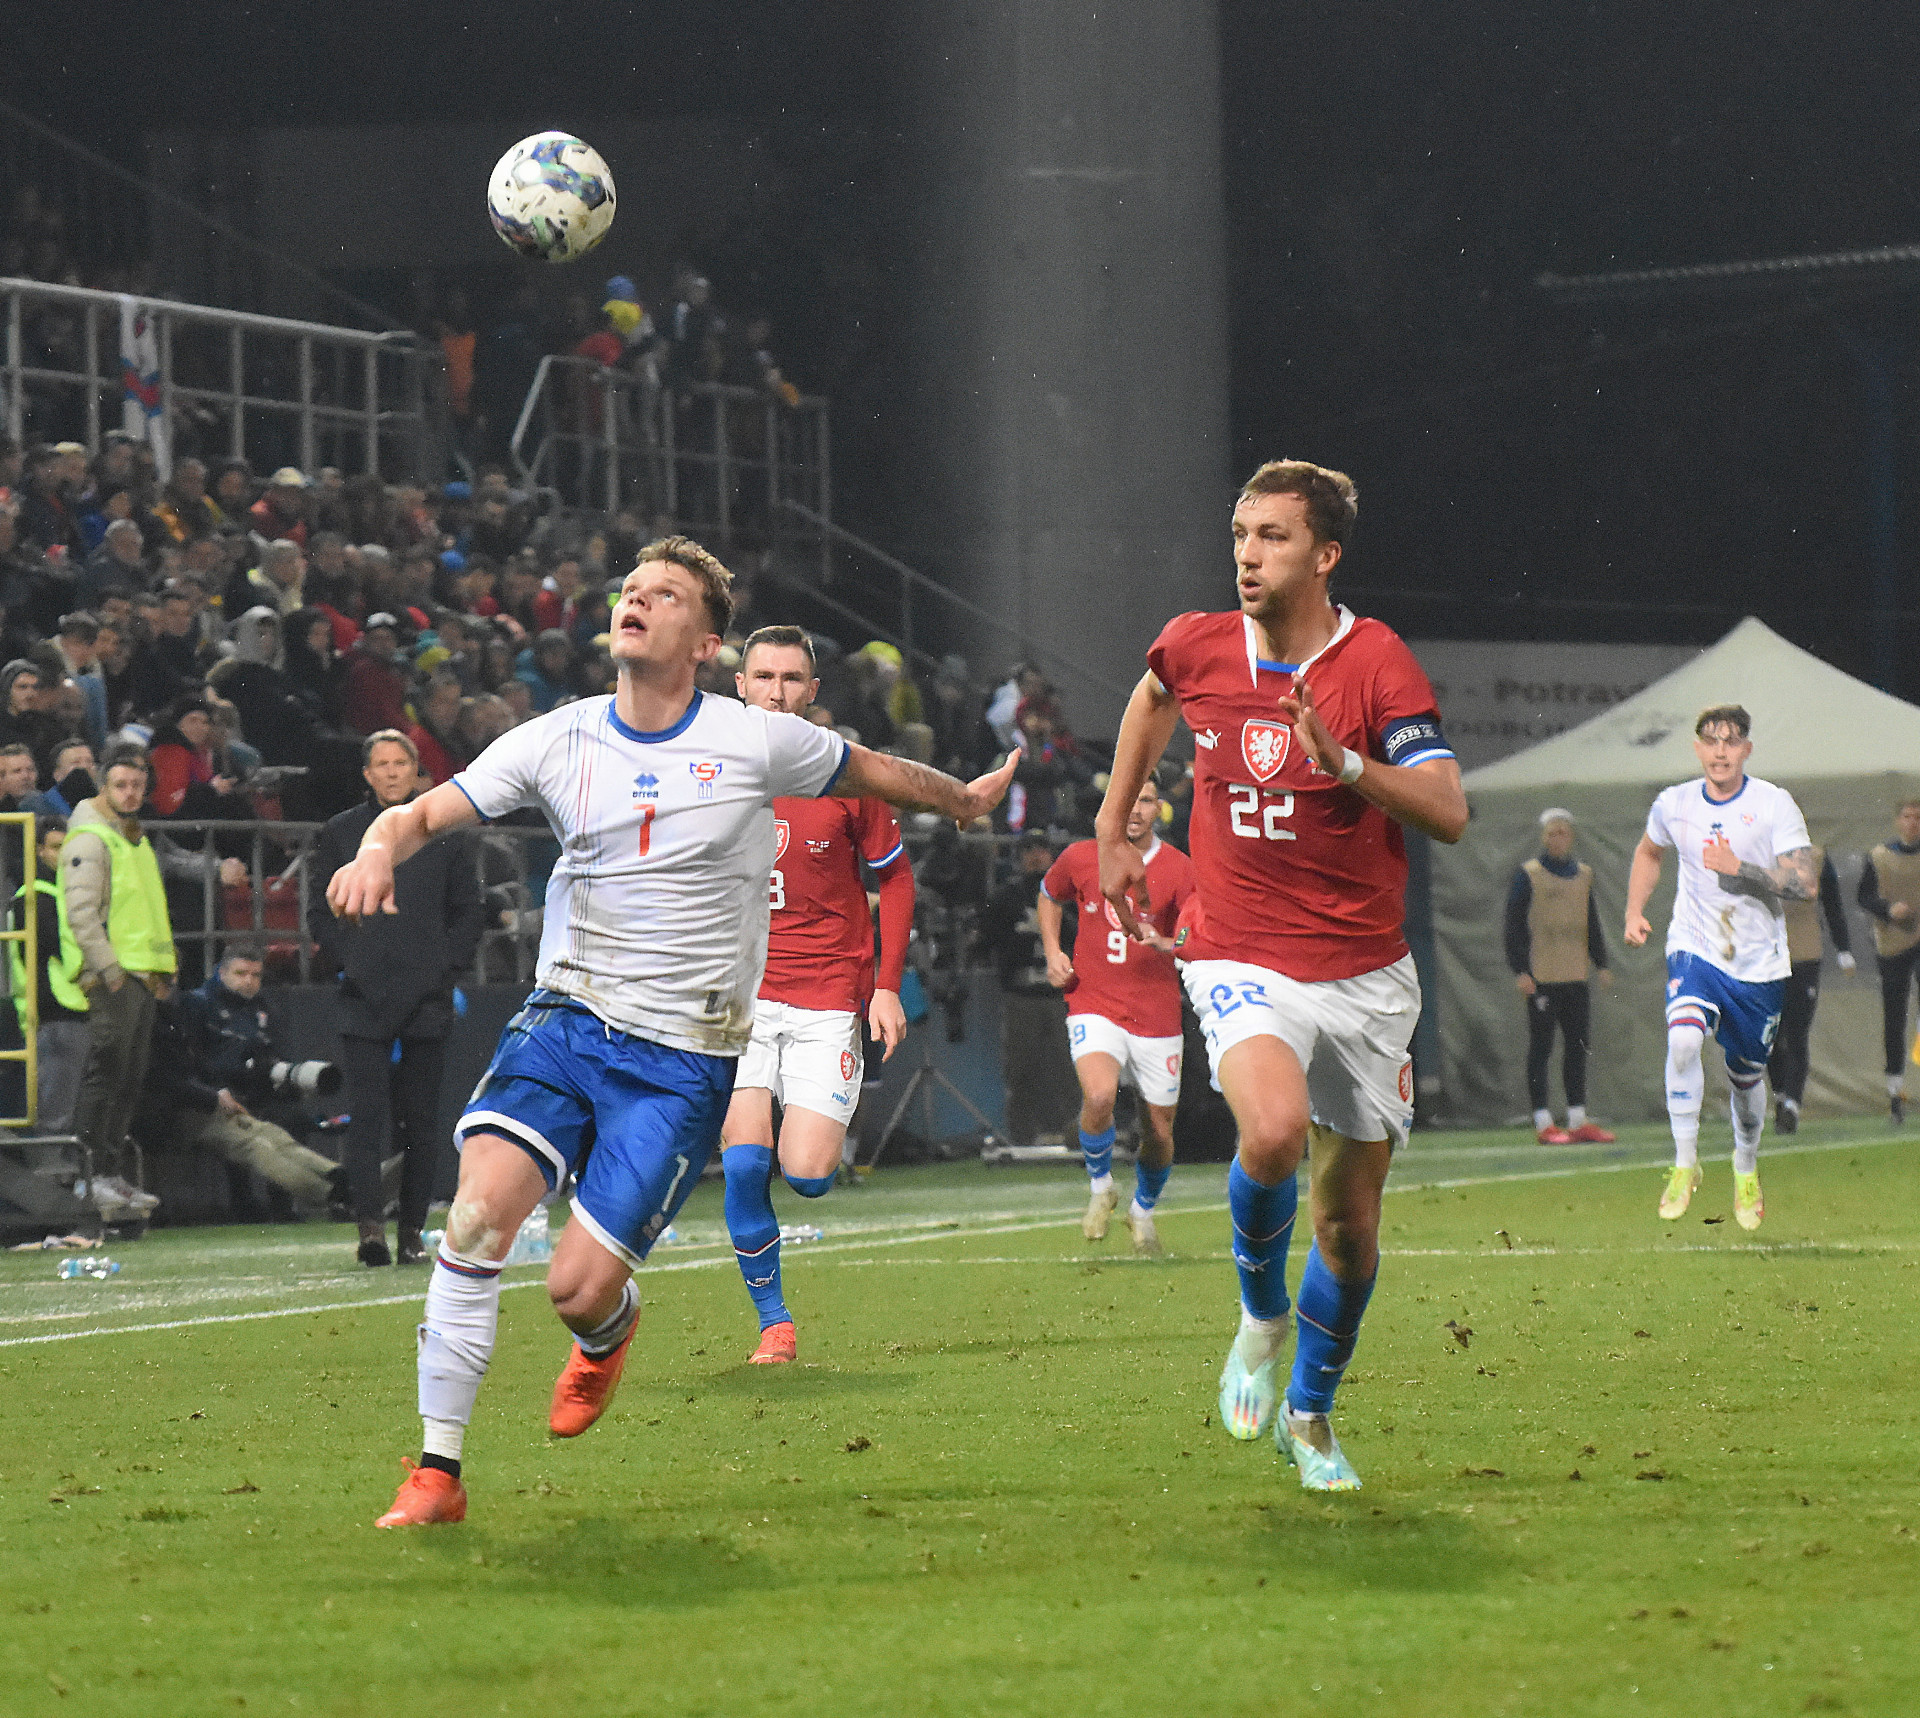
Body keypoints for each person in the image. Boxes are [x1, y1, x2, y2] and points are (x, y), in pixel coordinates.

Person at [324, 535, 1016, 1528]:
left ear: (705, 644)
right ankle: (437, 1472)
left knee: (576, 1290)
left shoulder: (756, 740)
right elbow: (420, 814)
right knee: (473, 1220)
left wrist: (965, 800)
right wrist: (374, 849)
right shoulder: (560, 737)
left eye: (667, 594)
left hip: (680, 1058)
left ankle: (609, 1331)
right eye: (632, 587)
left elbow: (877, 774)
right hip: (563, 1023)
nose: (637, 600)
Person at [1096, 459, 1466, 1493]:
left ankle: (1310, 1412)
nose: (1248, 555)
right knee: (1269, 1131)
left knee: (1348, 1228)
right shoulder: (1198, 641)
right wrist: (1113, 824)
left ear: (1325, 555)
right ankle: (1261, 1315)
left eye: (1273, 537)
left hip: (1366, 974)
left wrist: (1345, 763)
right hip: (1239, 948)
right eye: (1241, 534)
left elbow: (1447, 810)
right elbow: (1153, 696)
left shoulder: (1375, 661)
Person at [717, 625, 915, 1364]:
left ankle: (811, 1154)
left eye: (791, 679)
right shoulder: (710, 771)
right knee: (743, 1162)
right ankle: (774, 1322)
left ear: (812, 691)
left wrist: (887, 988)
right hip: (739, 1000)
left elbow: (896, 878)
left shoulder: (845, 774)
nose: (776, 692)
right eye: (763, 677)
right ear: (740, 685)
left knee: (805, 1176)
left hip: (829, 996)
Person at [1624, 705, 1815, 1231]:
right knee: (1683, 1040)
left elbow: (1805, 883)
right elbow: (1649, 851)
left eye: (1731, 741)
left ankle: (1745, 1167)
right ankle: (1685, 1162)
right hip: (1695, 947)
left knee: (1746, 1077)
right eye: (1711, 741)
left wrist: (1741, 868)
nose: (1720, 751)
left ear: (1746, 749)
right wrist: (1634, 910)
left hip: (1758, 965)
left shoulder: (1773, 803)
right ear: (1697, 749)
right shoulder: (1675, 803)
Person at [309, 730, 483, 1268]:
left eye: (399, 763)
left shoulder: (447, 835)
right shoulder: (340, 832)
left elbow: (468, 913)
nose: (390, 772)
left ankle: (410, 1232)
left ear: (415, 770)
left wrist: (442, 971)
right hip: (363, 993)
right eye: (380, 764)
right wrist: (353, 960)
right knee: (366, 1118)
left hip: (427, 996)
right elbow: (320, 912)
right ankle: (370, 1231)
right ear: (367, 774)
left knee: (421, 1122)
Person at [1037, 776, 1194, 1253]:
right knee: (1100, 1094)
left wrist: (1171, 942)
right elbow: (1049, 894)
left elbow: (1197, 927)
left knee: (1159, 1132)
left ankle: (1142, 1211)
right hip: (1093, 1000)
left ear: (1159, 808)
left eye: (1146, 800)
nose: (1135, 810)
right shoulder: (1081, 856)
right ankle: (1101, 1186)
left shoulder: (1180, 868)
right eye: (1129, 800)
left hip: (1156, 1012)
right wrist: (1053, 951)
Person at [62, 742, 180, 1221]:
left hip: (139, 974)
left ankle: (106, 1172)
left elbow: (147, 909)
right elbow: (81, 914)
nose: (131, 793)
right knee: (108, 1071)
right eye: (121, 785)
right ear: (103, 786)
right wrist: (108, 968)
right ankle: (87, 1173)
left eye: (137, 785)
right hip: (117, 974)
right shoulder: (92, 839)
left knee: (127, 1077)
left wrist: (162, 966)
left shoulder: (130, 837)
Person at [145, 943, 349, 1219]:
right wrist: (215, 1094)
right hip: (176, 1110)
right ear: (221, 972)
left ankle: (338, 1177)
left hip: (208, 1099)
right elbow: (167, 1076)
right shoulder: (179, 1009)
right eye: (241, 973)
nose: (249, 981)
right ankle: (332, 1193)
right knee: (252, 1141)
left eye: (255, 975)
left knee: (270, 1132)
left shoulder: (256, 1007)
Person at [1503, 808, 1616, 1144]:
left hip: (1574, 974)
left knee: (1577, 1047)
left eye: (1563, 832)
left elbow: (1591, 922)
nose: (1557, 839)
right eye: (1552, 833)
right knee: (1542, 1047)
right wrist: (1521, 970)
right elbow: (1513, 924)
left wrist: (1601, 963)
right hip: (1542, 975)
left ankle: (1578, 1119)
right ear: (1543, 837)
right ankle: (1543, 1122)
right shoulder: (1529, 875)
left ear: (1571, 836)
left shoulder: (1583, 875)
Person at [982, 832, 1082, 1147]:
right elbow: (986, 940)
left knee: (1068, 1068)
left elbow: (1083, 937)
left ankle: (1073, 1135)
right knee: (1020, 1069)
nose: (1035, 856)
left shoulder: (1071, 894)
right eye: (1028, 850)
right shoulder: (1005, 897)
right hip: (1022, 995)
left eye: (1041, 850)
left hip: (1061, 996)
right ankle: (1022, 1138)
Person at [8, 816, 90, 1135]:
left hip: (66, 1011)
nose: (64, 854)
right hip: (56, 1013)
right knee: (56, 1113)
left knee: (65, 1108)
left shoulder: (59, 893)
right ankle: (53, 1165)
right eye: (56, 847)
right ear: (39, 850)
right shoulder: (37, 897)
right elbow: (59, 953)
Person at [1768, 839, 1853, 1134]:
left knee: (1797, 1033)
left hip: (1804, 956)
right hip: (1766, 958)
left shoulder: (1816, 858)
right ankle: (1780, 1096)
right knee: (1771, 1035)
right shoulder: (1757, 854)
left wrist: (1843, 949)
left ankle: (1792, 1104)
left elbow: (1833, 905)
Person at [1856, 800, 1920, 1124]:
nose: (1912, 823)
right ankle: (1895, 1092)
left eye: (1918, 817)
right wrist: (1888, 909)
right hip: (1893, 943)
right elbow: (1864, 896)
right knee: (1894, 1016)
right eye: (1907, 817)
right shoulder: (1880, 856)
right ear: (1898, 821)